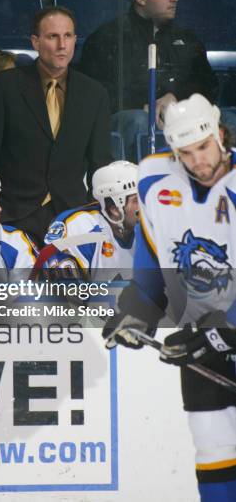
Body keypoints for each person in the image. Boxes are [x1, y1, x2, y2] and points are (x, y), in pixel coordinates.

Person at [102, 94, 236, 502]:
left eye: (203, 147)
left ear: (221, 135)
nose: (197, 161)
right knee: (214, 450)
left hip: (215, 334)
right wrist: (137, 310)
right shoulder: (155, 181)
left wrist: (221, 331)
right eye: (185, 153)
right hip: (203, 340)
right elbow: (151, 265)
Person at [0, 5, 112, 247]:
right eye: (52, 36)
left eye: (68, 36)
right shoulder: (3, 87)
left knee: (73, 286)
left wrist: (89, 213)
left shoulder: (95, 94)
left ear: (76, 39)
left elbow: (100, 163)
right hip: (12, 216)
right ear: (35, 42)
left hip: (72, 217)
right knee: (7, 287)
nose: (62, 45)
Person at [80, 0, 218, 162]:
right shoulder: (107, 38)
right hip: (130, 117)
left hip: (181, 114)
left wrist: (176, 96)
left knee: (229, 118)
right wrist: (144, 105)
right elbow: (96, 92)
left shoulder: (187, 38)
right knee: (140, 121)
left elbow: (208, 84)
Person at [44, 160, 138, 273]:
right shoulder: (80, 228)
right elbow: (63, 288)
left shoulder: (151, 227)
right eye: (137, 200)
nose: (146, 204)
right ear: (115, 209)